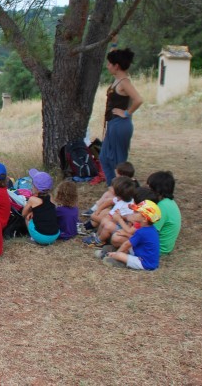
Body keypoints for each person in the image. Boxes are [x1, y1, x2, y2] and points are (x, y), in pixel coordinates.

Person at [99, 48, 143, 183]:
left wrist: (126, 113)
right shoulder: (117, 79)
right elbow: (114, 54)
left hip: (120, 124)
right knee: (104, 157)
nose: (107, 66)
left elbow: (138, 99)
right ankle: (113, 187)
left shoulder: (124, 82)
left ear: (116, 66)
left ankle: (124, 190)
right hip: (113, 123)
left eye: (110, 64)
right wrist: (114, 43)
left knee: (118, 162)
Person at [99, 200, 161, 270]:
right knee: (126, 249)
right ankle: (117, 254)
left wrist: (116, 254)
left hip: (145, 263)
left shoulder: (141, 231)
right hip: (143, 255)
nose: (133, 212)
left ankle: (115, 258)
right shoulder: (151, 229)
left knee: (120, 255)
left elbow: (127, 244)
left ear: (144, 219)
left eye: (137, 212)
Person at [82, 176, 136, 247]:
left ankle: (99, 241)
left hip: (121, 227)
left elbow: (129, 224)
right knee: (105, 220)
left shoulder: (130, 207)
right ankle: (97, 235)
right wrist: (98, 210)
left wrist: (120, 218)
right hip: (114, 220)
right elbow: (109, 202)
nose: (110, 188)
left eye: (112, 187)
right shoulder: (119, 198)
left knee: (108, 225)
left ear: (118, 192)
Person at [22, 169, 60, 245]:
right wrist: (34, 211)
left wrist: (30, 211)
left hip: (42, 238)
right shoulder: (51, 197)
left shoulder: (32, 200)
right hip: (55, 235)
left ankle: (33, 238)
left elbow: (23, 214)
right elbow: (46, 211)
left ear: (36, 188)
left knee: (27, 217)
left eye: (32, 184)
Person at [147, 171, 182, 254]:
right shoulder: (169, 202)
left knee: (118, 238)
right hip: (162, 246)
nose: (147, 189)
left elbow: (149, 232)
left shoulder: (161, 207)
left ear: (157, 189)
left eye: (149, 188)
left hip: (158, 249)